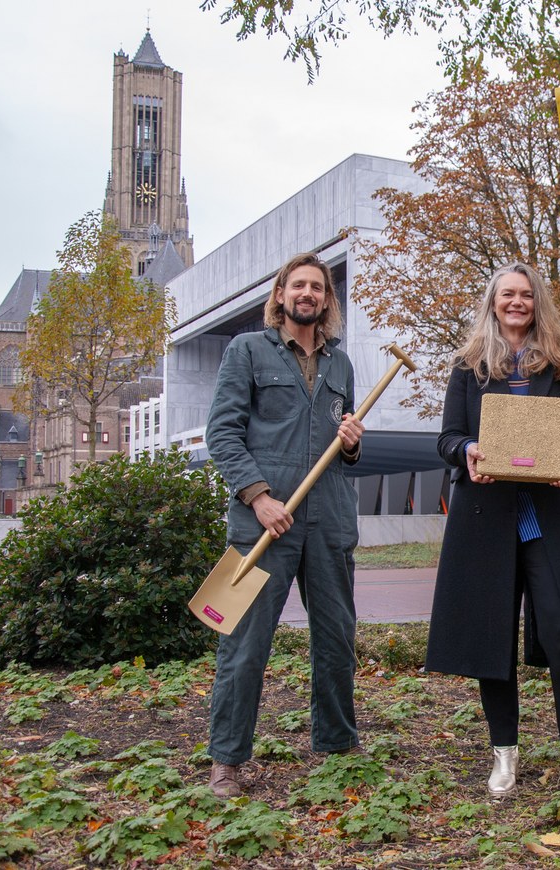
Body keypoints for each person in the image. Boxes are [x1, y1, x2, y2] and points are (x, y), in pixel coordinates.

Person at [426, 262, 560, 800]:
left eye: (526, 295)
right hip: (486, 522)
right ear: (493, 301)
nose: (516, 303)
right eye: (507, 294)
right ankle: (503, 753)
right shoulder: (468, 366)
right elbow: (447, 439)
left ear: (537, 302)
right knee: (492, 639)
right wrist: (468, 451)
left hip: (549, 519)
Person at [204, 252, 365, 798]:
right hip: (264, 524)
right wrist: (258, 496)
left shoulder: (341, 364)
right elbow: (223, 434)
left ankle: (338, 746)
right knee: (245, 645)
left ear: (327, 300)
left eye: (318, 287)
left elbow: (343, 450)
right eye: (298, 285)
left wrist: (351, 444)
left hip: (330, 520)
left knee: (337, 640)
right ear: (280, 295)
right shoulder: (246, 351)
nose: (309, 294)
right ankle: (227, 760)